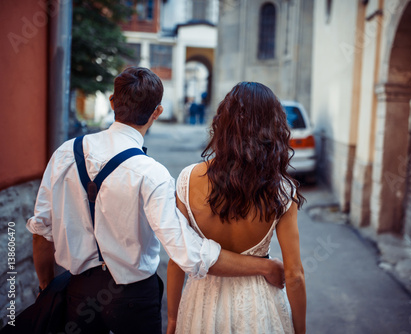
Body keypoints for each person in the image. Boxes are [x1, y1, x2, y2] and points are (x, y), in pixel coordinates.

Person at [26, 68, 285, 334]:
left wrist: (45, 287)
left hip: (76, 295)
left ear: (113, 102)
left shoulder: (65, 153)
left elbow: (41, 231)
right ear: (157, 112)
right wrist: (263, 265)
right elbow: (187, 253)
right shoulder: (153, 173)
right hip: (133, 301)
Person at [167, 82, 307, 333]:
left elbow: (177, 259)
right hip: (258, 306)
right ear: (272, 127)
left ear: (223, 123)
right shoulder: (282, 190)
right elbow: (294, 274)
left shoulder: (188, 180)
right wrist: (300, 331)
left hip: (201, 304)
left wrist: (173, 318)